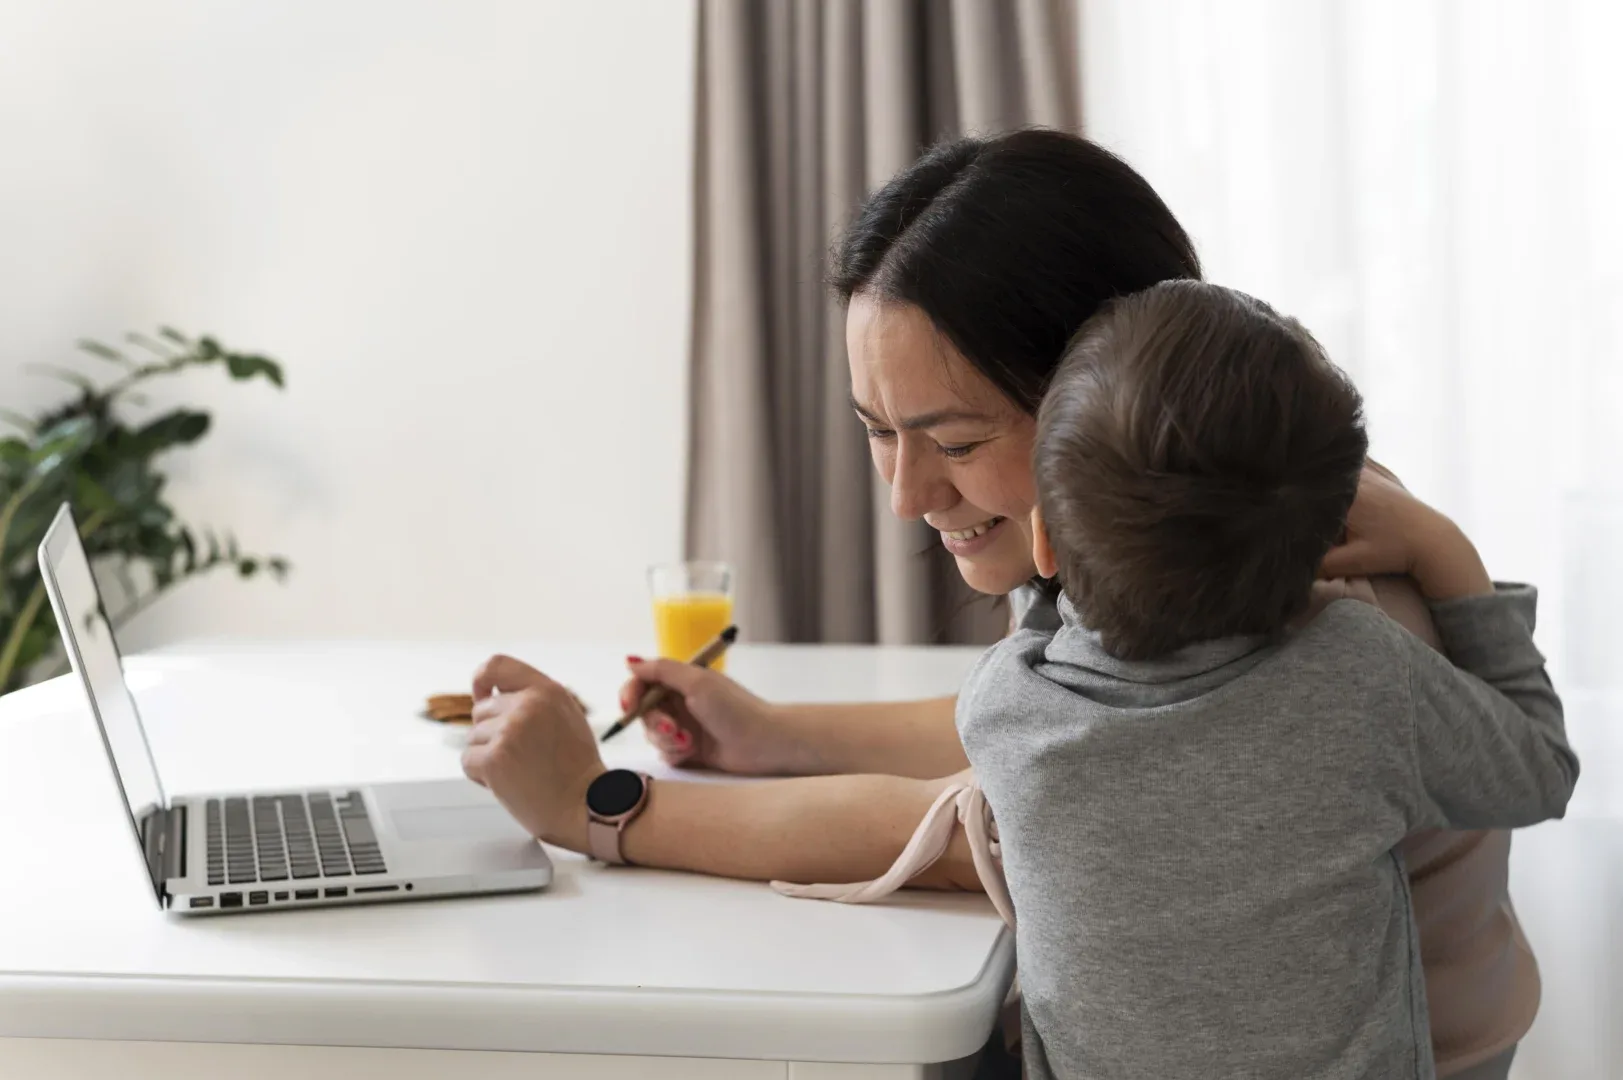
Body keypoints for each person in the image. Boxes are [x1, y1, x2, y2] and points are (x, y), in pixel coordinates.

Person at [459, 129, 1543, 1076]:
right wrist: (776, 735)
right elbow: (1049, 731)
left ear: (1100, 387)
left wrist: (600, 807)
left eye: (957, 441)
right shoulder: (1216, 504)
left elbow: (975, 823)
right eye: (878, 430)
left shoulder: (1294, 587)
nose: (905, 496)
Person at [953, 279, 1577, 1079]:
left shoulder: (1003, 708)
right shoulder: (1358, 675)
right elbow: (1541, 774)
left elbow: (1043, 625)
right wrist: (1443, 552)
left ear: (1042, 543)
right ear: (1328, 550)